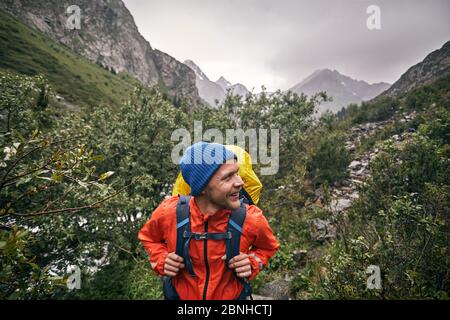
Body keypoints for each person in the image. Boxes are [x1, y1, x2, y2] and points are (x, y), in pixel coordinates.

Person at [138, 141, 279, 300]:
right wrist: (161, 259)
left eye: (237, 173)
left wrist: (252, 262)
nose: (240, 182)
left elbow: (268, 247)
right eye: (227, 177)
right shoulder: (170, 213)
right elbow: (148, 238)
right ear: (202, 188)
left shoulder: (251, 218)